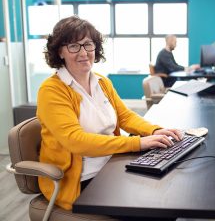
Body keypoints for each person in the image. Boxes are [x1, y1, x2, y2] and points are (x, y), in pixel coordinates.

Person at [37, 16, 183, 211]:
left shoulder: (102, 82)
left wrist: (154, 131)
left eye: (88, 44)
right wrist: (137, 143)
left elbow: (124, 116)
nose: (83, 52)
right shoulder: (52, 90)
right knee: (155, 208)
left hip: (112, 164)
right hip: (80, 180)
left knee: (167, 193)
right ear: (60, 52)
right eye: (73, 46)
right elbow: (75, 141)